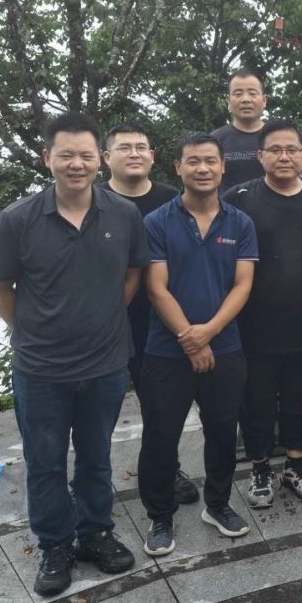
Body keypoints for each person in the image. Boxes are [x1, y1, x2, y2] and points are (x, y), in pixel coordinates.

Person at [0, 114, 149, 596]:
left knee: (96, 456)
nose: (77, 164)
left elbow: (134, 274)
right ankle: (55, 545)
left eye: (85, 155)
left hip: (105, 365)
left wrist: (104, 317)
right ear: (47, 158)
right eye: (66, 155)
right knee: (45, 461)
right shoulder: (18, 219)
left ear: (100, 159)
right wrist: (28, 330)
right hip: (41, 371)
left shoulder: (123, 214)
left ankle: (95, 532)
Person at [138, 132, 257, 557]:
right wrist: (191, 339)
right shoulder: (156, 222)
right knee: (160, 435)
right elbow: (156, 287)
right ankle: (159, 516)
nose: (202, 168)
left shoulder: (240, 223)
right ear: (178, 167)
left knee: (223, 431)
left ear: (223, 167)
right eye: (193, 161)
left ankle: (218, 504)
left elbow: (242, 285)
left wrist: (207, 333)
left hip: (225, 346)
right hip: (166, 350)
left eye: (210, 161)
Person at [224, 119, 302, 507]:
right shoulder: (239, 198)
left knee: (299, 399)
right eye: (275, 150)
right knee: (255, 401)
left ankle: (295, 463)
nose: (284, 156)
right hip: (253, 325)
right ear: (260, 156)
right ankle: (260, 467)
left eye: (292, 149)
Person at [101, 123, 199, 505]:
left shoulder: (173, 199)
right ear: (106, 157)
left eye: (141, 147)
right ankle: (90, 483)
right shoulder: (92, 201)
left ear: (153, 156)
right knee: (97, 411)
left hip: (159, 321)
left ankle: (166, 469)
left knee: (161, 407)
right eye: (124, 147)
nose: (134, 153)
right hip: (106, 323)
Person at [212, 69, 269, 191]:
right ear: (228, 101)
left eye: (252, 94)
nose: (245, 100)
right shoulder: (214, 140)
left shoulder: (278, 138)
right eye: (238, 94)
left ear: (264, 100)